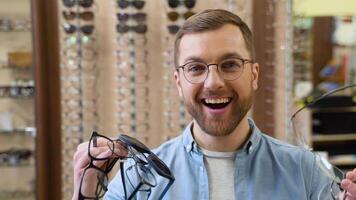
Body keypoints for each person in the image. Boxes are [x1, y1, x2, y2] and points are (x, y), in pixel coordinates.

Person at [73, 9, 356, 200]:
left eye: (230, 64)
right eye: (196, 68)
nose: (213, 82)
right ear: (178, 81)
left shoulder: (306, 173)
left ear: (254, 75)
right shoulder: (138, 179)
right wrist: (83, 192)